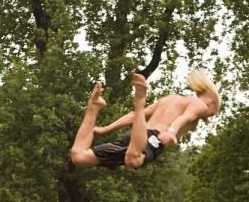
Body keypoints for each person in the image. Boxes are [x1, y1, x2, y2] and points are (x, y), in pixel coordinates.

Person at [70, 69, 220, 169]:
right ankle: (140, 100)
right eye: (212, 114)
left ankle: (94, 107)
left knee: (79, 157)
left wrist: (106, 130)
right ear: (211, 101)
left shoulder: (170, 98)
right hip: (153, 138)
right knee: (133, 160)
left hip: (135, 136)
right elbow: (184, 118)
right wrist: (171, 133)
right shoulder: (200, 105)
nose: (208, 117)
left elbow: (134, 116)